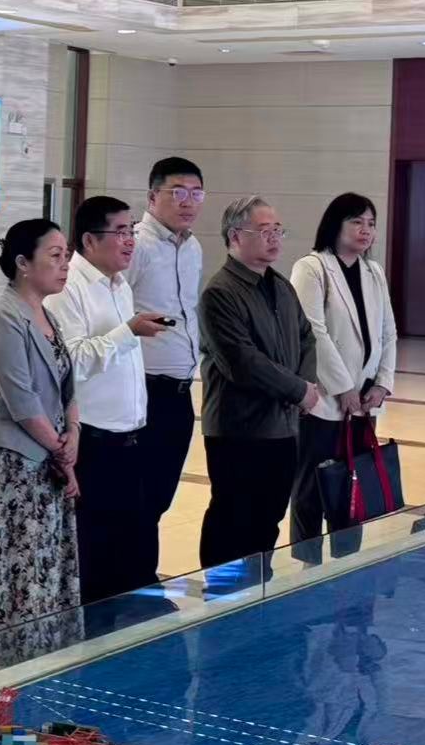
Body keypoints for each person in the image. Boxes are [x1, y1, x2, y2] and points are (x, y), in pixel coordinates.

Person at [0, 218, 84, 668]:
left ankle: (44, 654)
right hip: (13, 462)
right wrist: (62, 454)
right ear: (23, 264)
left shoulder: (48, 316)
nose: (65, 264)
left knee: (44, 562)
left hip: (48, 457)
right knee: (17, 563)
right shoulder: (3, 317)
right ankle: (12, 659)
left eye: (66, 255)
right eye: (55, 255)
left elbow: (68, 387)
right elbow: (21, 401)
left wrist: (74, 432)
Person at [45, 195, 169, 605]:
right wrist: (128, 331)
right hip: (93, 443)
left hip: (129, 439)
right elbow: (71, 362)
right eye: (119, 232)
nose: (130, 240)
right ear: (89, 240)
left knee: (130, 548)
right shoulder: (69, 289)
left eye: (131, 231)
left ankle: (127, 629)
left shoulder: (119, 285)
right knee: (93, 556)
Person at [197, 195, 318, 571]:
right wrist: (298, 390)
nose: (275, 238)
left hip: (282, 426)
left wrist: (306, 385)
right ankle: (224, 596)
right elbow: (243, 362)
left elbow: (306, 337)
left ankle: (256, 588)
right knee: (233, 519)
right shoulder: (220, 292)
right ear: (235, 235)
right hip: (239, 429)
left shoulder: (280, 286)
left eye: (278, 230)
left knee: (268, 519)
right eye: (264, 230)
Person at [289, 194, 398, 554]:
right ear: (335, 224)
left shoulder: (373, 272)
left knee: (353, 485)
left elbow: (388, 332)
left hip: (364, 401)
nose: (366, 230)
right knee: (311, 488)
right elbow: (313, 331)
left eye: (371, 223)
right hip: (323, 401)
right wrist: (343, 387)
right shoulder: (312, 268)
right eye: (356, 222)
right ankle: (306, 566)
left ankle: (346, 562)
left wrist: (382, 384)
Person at [126, 157, 206, 581]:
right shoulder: (136, 246)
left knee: (160, 494)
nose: (187, 202)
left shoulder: (192, 247)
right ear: (152, 196)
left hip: (180, 389)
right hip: (143, 389)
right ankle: (135, 580)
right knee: (138, 494)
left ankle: (143, 575)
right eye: (178, 192)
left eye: (196, 193)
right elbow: (115, 308)